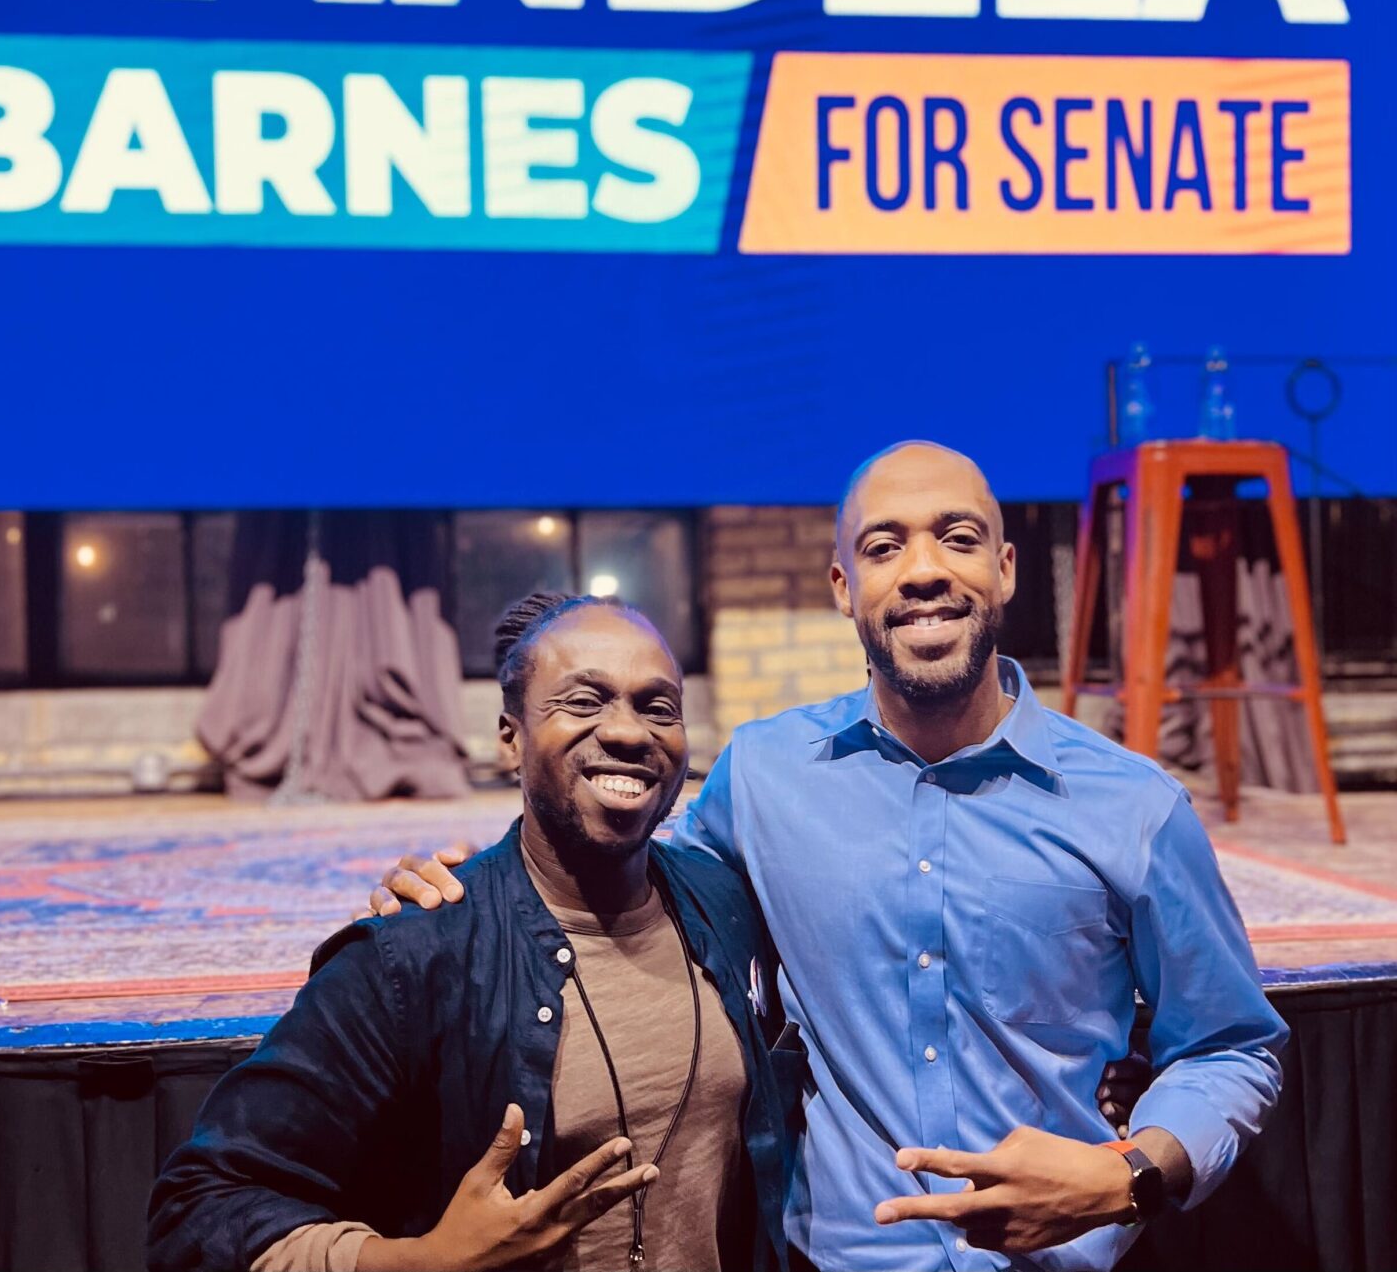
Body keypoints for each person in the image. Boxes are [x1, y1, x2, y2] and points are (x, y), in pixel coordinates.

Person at [377, 442, 1287, 1271]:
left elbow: (1232, 1046)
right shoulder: (766, 775)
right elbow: (634, 880)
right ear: (845, 587)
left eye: (958, 538)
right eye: (885, 547)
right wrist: (482, 883)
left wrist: (1122, 1177)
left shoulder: (1135, 805)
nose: (924, 570)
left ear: (1004, 570)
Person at [147, 592, 799, 1272]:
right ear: (510, 736)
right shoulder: (413, 956)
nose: (629, 731)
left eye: (657, 706)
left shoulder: (727, 905)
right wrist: (425, 1261)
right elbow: (199, 1208)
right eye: (583, 702)